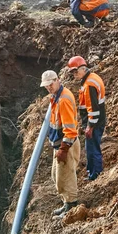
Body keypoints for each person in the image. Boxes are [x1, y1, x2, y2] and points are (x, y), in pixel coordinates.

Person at [40, 70, 80, 218]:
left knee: (65, 177)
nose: (49, 88)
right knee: (56, 176)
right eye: (46, 86)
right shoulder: (56, 97)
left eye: (50, 85)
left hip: (66, 145)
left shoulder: (63, 99)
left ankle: (71, 205)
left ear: (57, 80)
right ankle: (66, 203)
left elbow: (70, 129)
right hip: (59, 145)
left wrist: (63, 149)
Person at [67, 56, 106, 181]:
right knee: (92, 147)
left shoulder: (89, 84)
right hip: (97, 121)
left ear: (83, 68)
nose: (74, 75)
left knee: (92, 149)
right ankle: (93, 172)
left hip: (94, 123)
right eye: (72, 72)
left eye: (75, 71)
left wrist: (90, 126)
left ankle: (95, 175)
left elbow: (93, 109)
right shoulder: (92, 78)